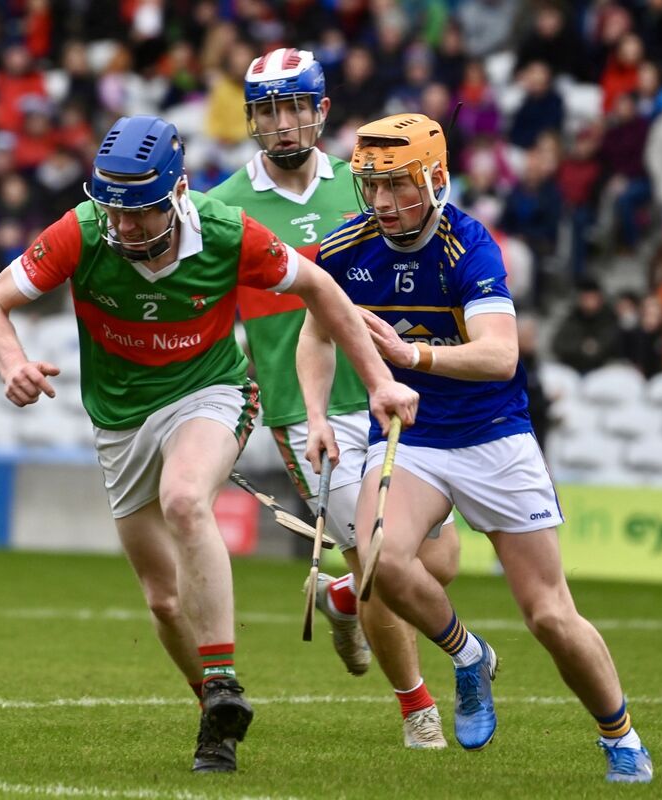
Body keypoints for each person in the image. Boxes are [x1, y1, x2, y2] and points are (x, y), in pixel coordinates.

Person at [0, 114, 418, 774]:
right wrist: (12, 363)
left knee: (186, 499)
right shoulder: (83, 230)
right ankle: (214, 704)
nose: (124, 228)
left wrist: (379, 379)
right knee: (162, 599)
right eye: (113, 211)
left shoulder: (226, 232)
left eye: (142, 214)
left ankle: (226, 678)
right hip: (119, 416)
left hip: (210, 391)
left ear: (178, 191)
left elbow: (320, 287)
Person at [298, 113, 653, 783]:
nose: (381, 203)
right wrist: (317, 414)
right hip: (415, 438)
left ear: (434, 179)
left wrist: (412, 355)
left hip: (495, 438)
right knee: (377, 557)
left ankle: (621, 734)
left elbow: (500, 356)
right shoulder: (346, 249)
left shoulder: (469, 245)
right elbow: (316, 336)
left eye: (397, 186)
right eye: (371, 187)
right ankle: (467, 658)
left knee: (550, 614)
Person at [205, 47, 458, 750]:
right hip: (305, 411)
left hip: (390, 396)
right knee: (384, 559)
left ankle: (343, 596)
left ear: (321, 112)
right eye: (267, 112)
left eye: (295, 108)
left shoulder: (365, 185)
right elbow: (201, 313)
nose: (283, 125)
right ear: (252, 122)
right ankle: (418, 708)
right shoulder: (224, 208)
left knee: (437, 559)